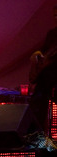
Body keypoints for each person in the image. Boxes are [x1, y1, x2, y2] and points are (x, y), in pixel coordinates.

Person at [29, 5, 57, 135]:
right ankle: (36, 133)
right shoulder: (52, 34)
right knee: (38, 99)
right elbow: (43, 54)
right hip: (48, 78)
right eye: (55, 16)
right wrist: (36, 55)